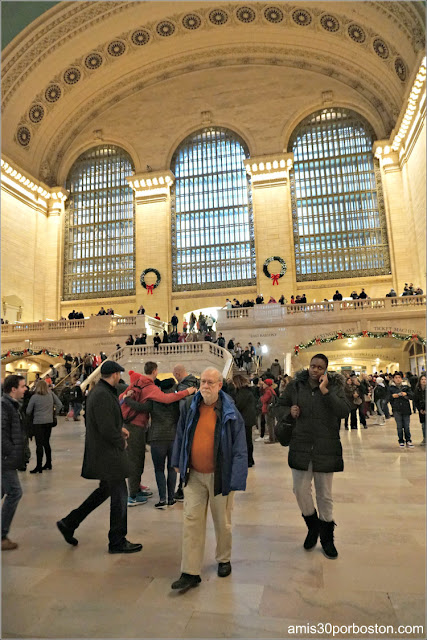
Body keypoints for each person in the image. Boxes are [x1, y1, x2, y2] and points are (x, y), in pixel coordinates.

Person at [170, 367, 247, 590]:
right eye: (203, 381)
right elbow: (181, 434)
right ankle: (190, 571)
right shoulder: (190, 406)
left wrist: (237, 477)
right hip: (194, 475)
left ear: (220, 385)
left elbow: (240, 447)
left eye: (210, 382)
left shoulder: (229, 410)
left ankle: (223, 559)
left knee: (222, 522)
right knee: (191, 521)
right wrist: (178, 461)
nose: (205, 386)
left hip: (219, 476)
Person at [56, 361, 142, 554]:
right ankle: (117, 541)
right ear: (114, 375)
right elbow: (104, 428)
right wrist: (121, 441)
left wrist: (119, 429)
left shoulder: (100, 391)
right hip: (109, 454)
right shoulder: (103, 394)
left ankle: (69, 522)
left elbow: (104, 421)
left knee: (104, 491)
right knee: (120, 496)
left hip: (105, 452)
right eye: (119, 374)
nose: (120, 377)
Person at [275, 354, 353, 559]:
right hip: (301, 444)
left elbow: (344, 410)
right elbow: (280, 405)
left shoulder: (334, 386)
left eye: (319, 367)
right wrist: (289, 412)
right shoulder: (296, 386)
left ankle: (327, 538)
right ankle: (313, 526)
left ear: (325, 370)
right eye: (312, 366)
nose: (315, 370)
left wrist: (325, 391)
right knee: (299, 490)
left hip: (325, 445)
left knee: (324, 494)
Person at [121, 363, 196, 506]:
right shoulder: (174, 400)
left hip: (156, 438)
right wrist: (187, 392)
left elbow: (140, 406)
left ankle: (161, 499)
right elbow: (172, 403)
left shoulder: (150, 396)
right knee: (171, 469)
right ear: (155, 371)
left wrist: (127, 399)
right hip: (172, 437)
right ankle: (170, 498)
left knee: (158, 469)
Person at [2, 374, 26, 550]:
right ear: (13, 389)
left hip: (8, 458)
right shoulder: (4, 406)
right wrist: (10, 452)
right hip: (5, 460)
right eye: (23, 386)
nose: (25, 389)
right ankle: (2, 536)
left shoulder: (12, 405)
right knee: (15, 492)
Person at [26, 380, 62, 473]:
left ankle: (39, 466)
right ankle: (48, 463)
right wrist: (53, 413)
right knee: (46, 443)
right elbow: (60, 404)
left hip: (38, 422)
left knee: (39, 444)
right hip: (49, 422)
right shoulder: (51, 394)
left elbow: (28, 411)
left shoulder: (34, 397)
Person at [229, 375, 256, 467]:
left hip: (245, 419)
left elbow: (239, 405)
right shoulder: (247, 391)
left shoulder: (243, 392)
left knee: (246, 440)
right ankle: (250, 459)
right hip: (248, 418)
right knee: (248, 440)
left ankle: (248, 460)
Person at [389, 372, 414, 447]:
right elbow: (387, 398)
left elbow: (412, 395)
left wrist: (406, 394)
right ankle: (401, 440)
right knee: (399, 426)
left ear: (401, 378)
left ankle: (408, 440)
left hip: (406, 409)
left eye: (399, 377)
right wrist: (392, 396)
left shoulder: (406, 387)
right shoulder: (391, 388)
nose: (398, 379)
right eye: (396, 378)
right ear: (393, 379)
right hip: (396, 409)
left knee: (406, 426)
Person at [413, 374, 426, 445]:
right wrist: (420, 409)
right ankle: (425, 438)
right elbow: (416, 401)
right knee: (423, 425)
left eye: (425, 379)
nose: (424, 381)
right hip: (421, 411)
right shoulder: (417, 390)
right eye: (422, 379)